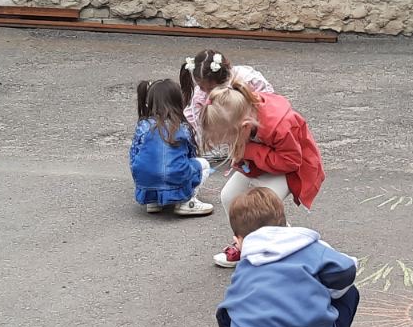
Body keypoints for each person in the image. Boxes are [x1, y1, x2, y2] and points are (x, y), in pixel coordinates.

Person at [215, 187, 358, 327]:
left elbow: (227, 314)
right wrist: (324, 294)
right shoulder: (309, 246)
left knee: (229, 312)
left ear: (238, 241)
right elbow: (347, 270)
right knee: (350, 292)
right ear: (285, 224)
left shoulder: (245, 270)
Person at [201, 83, 326, 268]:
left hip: (292, 169)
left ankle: (282, 245)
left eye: (229, 140)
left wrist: (250, 151)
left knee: (265, 203)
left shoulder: (279, 124)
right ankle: (245, 243)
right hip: (256, 162)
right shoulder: (238, 112)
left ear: (244, 127)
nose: (228, 145)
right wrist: (247, 152)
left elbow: (291, 161)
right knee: (228, 196)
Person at [130, 79, 212, 216]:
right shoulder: (182, 127)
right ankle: (187, 202)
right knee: (203, 164)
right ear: (177, 101)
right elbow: (190, 154)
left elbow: (134, 153)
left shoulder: (143, 125)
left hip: (145, 181)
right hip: (174, 177)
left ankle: (153, 201)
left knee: (150, 166)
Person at [181, 49, 275, 157]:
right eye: (201, 87)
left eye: (211, 88)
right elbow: (193, 121)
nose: (207, 92)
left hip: (253, 128)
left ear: (224, 77)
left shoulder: (247, 79)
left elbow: (269, 104)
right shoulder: (201, 96)